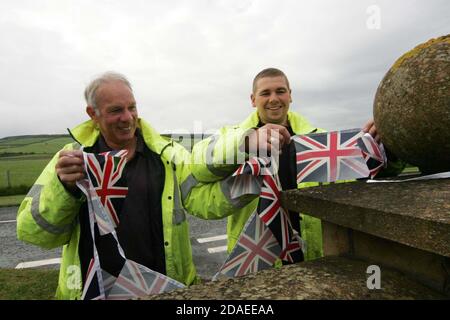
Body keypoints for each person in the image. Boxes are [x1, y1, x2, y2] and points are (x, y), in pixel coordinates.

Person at [16, 71, 253, 299]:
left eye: (132, 107)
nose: (128, 118)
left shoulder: (167, 156)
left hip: (165, 287)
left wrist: (248, 184)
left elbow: (203, 202)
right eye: (116, 110)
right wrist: (64, 188)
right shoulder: (70, 160)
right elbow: (34, 233)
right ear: (93, 114)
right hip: (99, 290)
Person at [191, 67, 403, 261]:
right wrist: (245, 141)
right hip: (256, 258)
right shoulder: (233, 137)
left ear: (290, 95)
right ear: (253, 99)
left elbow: (367, 176)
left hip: (308, 256)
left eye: (280, 91)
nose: (274, 99)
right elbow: (197, 162)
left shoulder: (321, 142)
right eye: (265, 93)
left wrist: (387, 146)